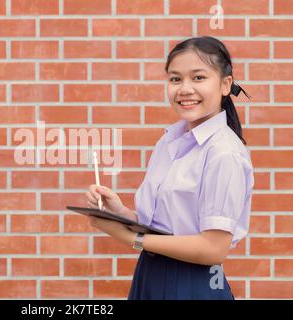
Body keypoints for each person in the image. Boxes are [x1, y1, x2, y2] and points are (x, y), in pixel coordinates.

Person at [85, 36, 254, 300]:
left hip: (194, 284)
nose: (184, 89)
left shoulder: (224, 152)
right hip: (150, 274)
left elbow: (213, 249)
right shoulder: (168, 141)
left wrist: (131, 238)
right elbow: (170, 229)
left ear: (225, 85)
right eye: (175, 79)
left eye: (198, 78)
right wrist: (122, 213)